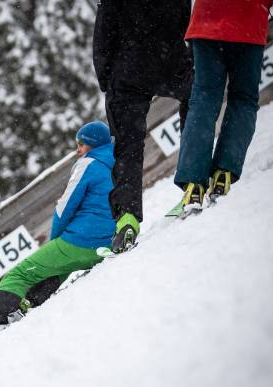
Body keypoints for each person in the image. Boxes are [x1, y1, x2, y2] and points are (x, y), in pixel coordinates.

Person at [0, 122, 115, 352]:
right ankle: (28, 302)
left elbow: (64, 207)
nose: (78, 149)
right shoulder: (117, 159)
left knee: (18, 274)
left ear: (92, 144)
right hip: (106, 241)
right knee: (59, 267)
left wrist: (56, 241)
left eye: (81, 143)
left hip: (80, 240)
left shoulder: (88, 164)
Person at [93, 0, 194, 252]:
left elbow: (103, 35)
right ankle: (196, 178)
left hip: (127, 68)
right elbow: (184, 16)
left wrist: (107, 79)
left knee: (128, 146)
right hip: (169, 58)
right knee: (195, 101)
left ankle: (127, 218)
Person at [170, 0, 273, 216]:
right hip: (249, 20)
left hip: (207, 19)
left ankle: (193, 184)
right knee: (243, 99)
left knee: (203, 99)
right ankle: (224, 172)